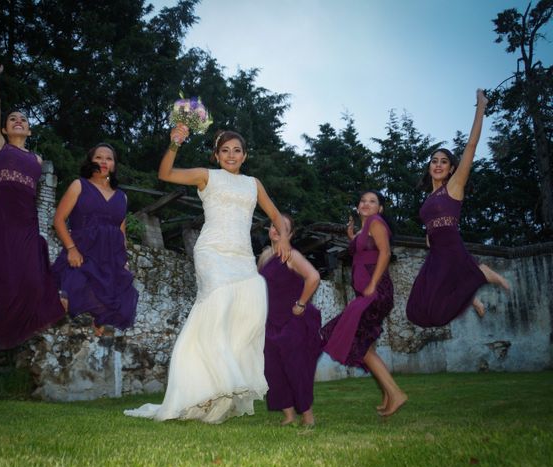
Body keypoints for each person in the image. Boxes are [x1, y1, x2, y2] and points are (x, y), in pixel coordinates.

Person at [124, 125, 291, 423]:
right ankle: (223, 383)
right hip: (212, 252)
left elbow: (276, 215)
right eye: (225, 150)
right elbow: (165, 173)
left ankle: (218, 388)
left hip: (242, 256)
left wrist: (285, 240)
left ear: (245, 155)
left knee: (252, 309)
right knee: (218, 307)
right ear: (216, 155)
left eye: (236, 150)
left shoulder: (254, 184)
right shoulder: (206, 176)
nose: (231, 155)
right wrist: (175, 143)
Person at [0, 62, 65, 368]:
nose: (18, 121)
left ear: (29, 129)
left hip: (27, 230)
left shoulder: (36, 159)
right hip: (2, 229)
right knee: (3, 290)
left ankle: (45, 314)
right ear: (6, 129)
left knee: (34, 284)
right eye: (13, 119)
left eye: (23, 119)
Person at [406, 89, 510, 328]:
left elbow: (471, 145)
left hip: (451, 248)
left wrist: (480, 107)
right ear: (429, 166)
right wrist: (429, 240)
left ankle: (483, 274)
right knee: (416, 310)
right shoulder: (429, 197)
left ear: (452, 168)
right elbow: (432, 226)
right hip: (436, 254)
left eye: (444, 161)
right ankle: (473, 294)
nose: (439, 164)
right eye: (435, 161)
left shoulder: (454, 186)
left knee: (435, 313)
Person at [321, 191, 407, 416]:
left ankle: (396, 393)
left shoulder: (376, 223)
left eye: (372, 201)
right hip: (367, 292)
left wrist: (373, 285)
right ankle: (389, 394)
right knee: (364, 345)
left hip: (375, 292)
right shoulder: (364, 230)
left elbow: (385, 253)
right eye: (363, 201)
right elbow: (365, 250)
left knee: (355, 339)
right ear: (358, 207)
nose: (366, 204)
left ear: (380, 209)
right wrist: (352, 237)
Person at [52, 143, 138, 336]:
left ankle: (98, 323)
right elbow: (58, 220)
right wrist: (71, 248)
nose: (104, 161)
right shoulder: (79, 185)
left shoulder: (122, 197)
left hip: (109, 260)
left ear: (114, 164)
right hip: (82, 253)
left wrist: (123, 261)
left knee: (114, 305)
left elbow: (121, 232)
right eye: (99, 157)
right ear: (91, 161)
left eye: (109, 158)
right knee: (68, 295)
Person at [258, 214, 322, 427]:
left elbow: (313, 277)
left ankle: (308, 417)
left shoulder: (292, 255)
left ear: (290, 234)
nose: (276, 230)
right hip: (270, 324)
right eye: (274, 226)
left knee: (296, 369)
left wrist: (302, 303)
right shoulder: (266, 257)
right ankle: (288, 416)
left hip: (292, 322)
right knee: (274, 370)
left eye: (283, 228)